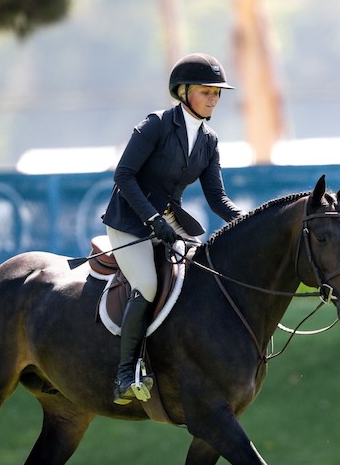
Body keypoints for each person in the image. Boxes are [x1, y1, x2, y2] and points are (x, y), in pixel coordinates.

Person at [102, 53, 243, 405]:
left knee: (200, 276)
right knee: (147, 284)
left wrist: (247, 220)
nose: (213, 99)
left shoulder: (209, 141)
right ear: (183, 92)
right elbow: (124, 175)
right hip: (130, 221)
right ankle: (125, 374)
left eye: (217, 93)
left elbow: (217, 199)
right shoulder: (156, 126)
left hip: (169, 222)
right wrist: (152, 220)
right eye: (206, 91)